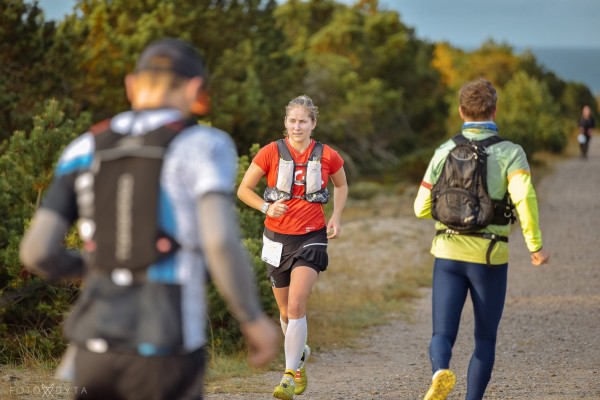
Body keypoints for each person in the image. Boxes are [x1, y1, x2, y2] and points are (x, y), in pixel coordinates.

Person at [19, 38, 279, 400]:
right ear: (194, 89)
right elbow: (219, 241)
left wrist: (97, 265)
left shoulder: (83, 147)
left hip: (93, 344)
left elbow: (35, 253)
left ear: (131, 85)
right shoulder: (204, 144)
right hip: (166, 341)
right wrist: (251, 317)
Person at [413, 78, 550, 400]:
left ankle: (439, 372)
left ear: (461, 111)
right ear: (495, 110)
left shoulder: (445, 150)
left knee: (442, 333)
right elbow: (524, 200)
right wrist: (536, 246)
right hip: (490, 257)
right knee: (485, 338)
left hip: (446, 254)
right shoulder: (511, 153)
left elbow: (420, 207)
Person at [237, 95, 348, 400]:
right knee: (285, 312)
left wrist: (336, 217)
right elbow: (243, 189)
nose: (297, 126)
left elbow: (341, 185)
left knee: (298, 305)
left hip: (312, 236)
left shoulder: (328, 155)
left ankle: (288, 375)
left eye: (303, 121)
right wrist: (265, 207)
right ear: (285, 122)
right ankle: (300, 353)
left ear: (313, 124)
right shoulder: (271, 152)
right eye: (292, 120)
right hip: (276, 239)